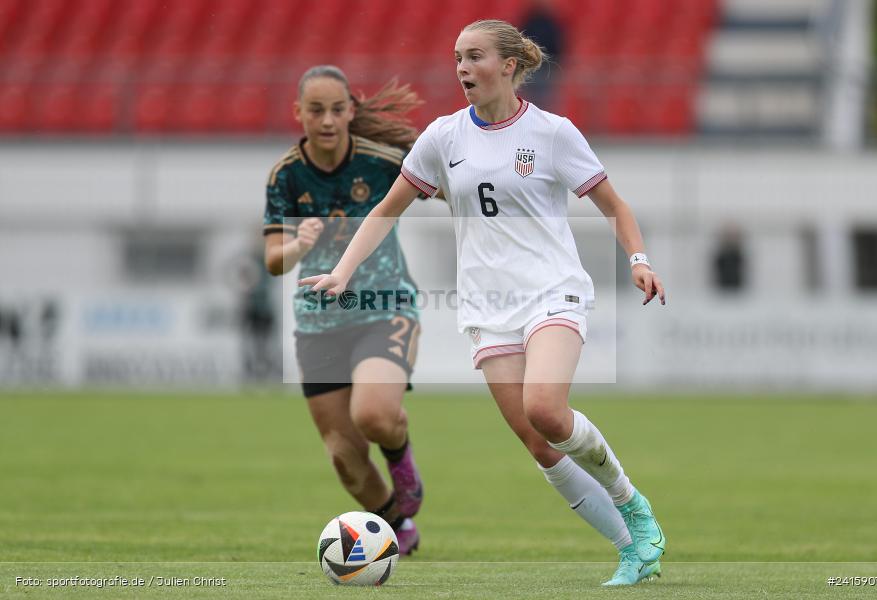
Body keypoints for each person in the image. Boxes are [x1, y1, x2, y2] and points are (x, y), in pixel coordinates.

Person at [300, 21, 668, 586]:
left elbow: (615, 206)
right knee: (538, 444)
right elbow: (385, 210)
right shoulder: (444, 137)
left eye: (474, 57)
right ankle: (633, 549)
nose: (462, 69)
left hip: (552, 289)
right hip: (487, 306)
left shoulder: (552, 133)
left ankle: (635, 509)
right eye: (457, 58)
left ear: (511, 66)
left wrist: (639, 260)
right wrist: (343, 272)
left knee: (546, 409)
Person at [264, 65, 425, 555]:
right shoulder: (286, 176)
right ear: (299, 113)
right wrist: (297, 244)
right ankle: (397, 524)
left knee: (375, 414)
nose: (328, 120)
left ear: (352, 111)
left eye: (337, 109)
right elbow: (273, 260)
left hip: (384, 307)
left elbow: (447, 182)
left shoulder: (382, 162)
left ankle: (402, 461)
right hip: (319, 326)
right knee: (344, 458)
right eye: (316, 110)